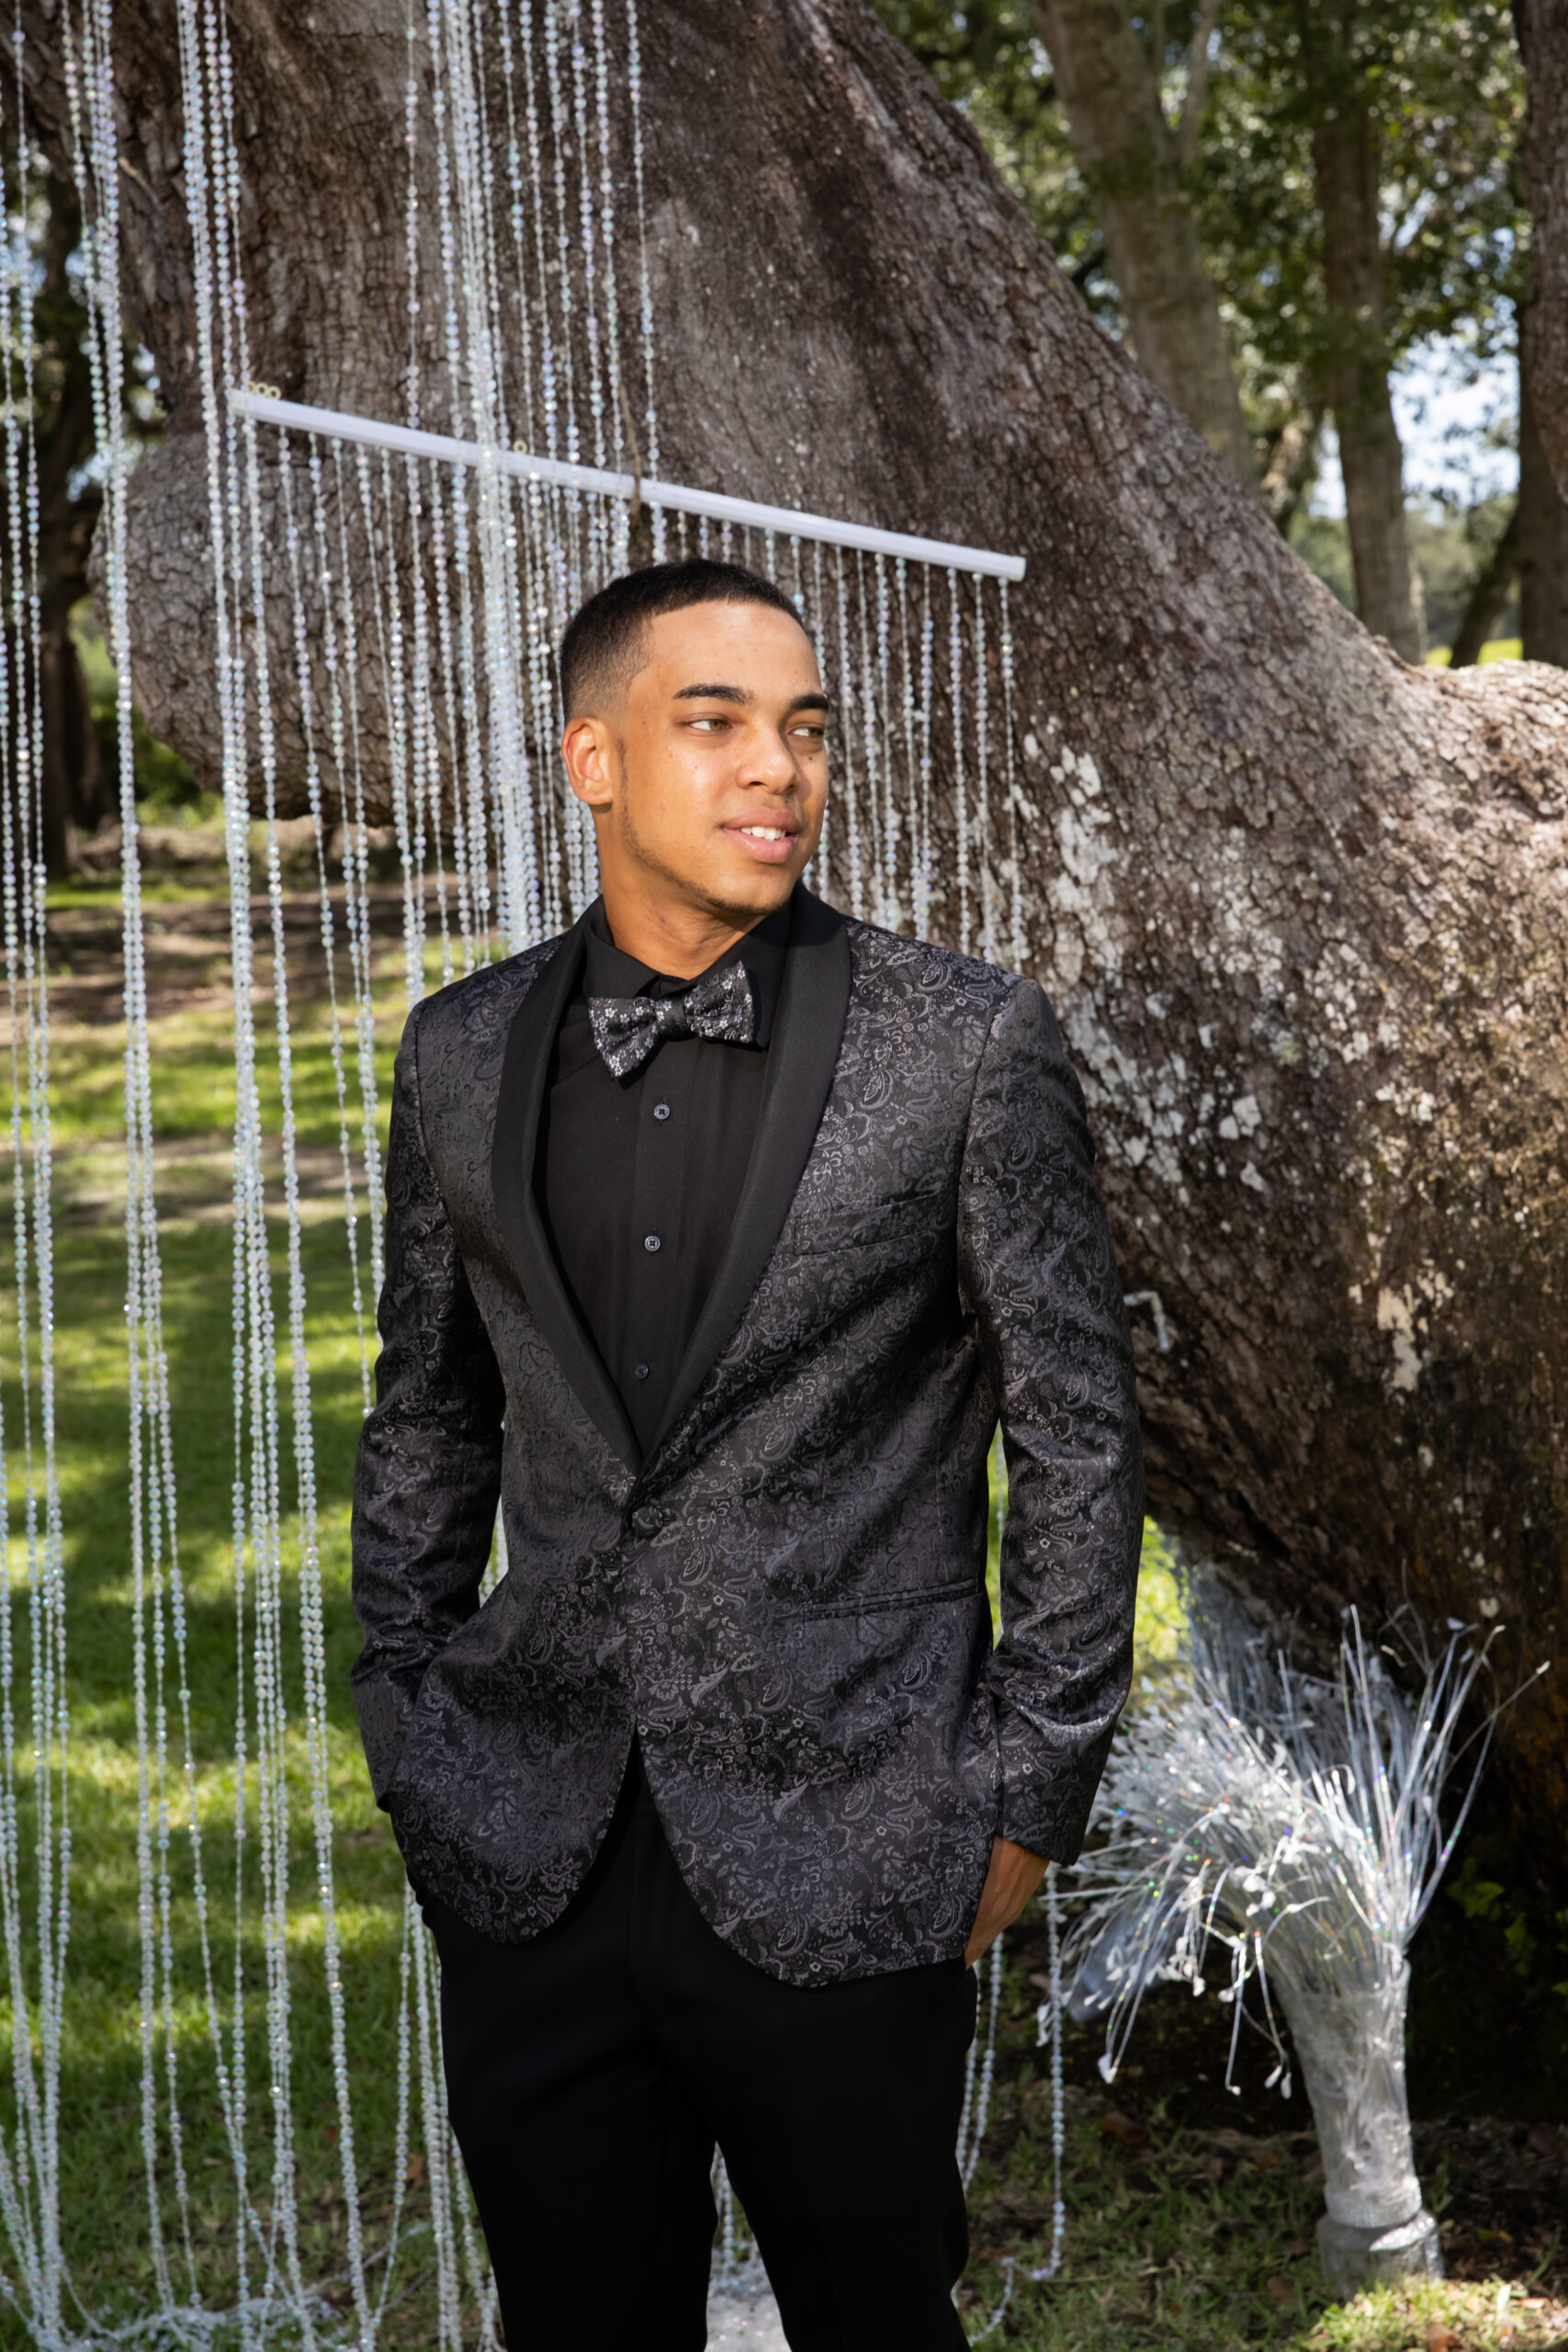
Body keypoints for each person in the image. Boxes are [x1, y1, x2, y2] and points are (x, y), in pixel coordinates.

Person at [350, 557, 1143, 2349]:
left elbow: (1076, 1434)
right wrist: (407, 1713)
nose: (775, 766)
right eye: (712, 722)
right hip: (528, 1835)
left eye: (801, 728)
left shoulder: (966, 1044)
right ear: (591, 758)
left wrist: (1027, 1780)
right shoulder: (457, 1052)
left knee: (874, 2316)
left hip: (851, 1823)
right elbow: (427, 1403)